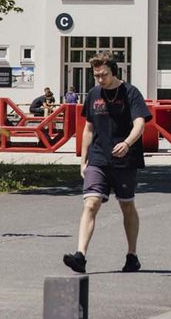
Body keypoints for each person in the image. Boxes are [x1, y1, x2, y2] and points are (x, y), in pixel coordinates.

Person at [62, 55, 146, 273]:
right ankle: (80, 256)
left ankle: (132, 255)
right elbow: (88, 128)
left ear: (114, 71)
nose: (100, 79)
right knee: (90, 204)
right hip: (98, 159)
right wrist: (83, 161)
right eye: (96, 75)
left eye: (104, 75)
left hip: (124, 159)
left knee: (127, 206)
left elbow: (140, 124)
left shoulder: (131, 93)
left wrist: (127, 143)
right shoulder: (93, 94)